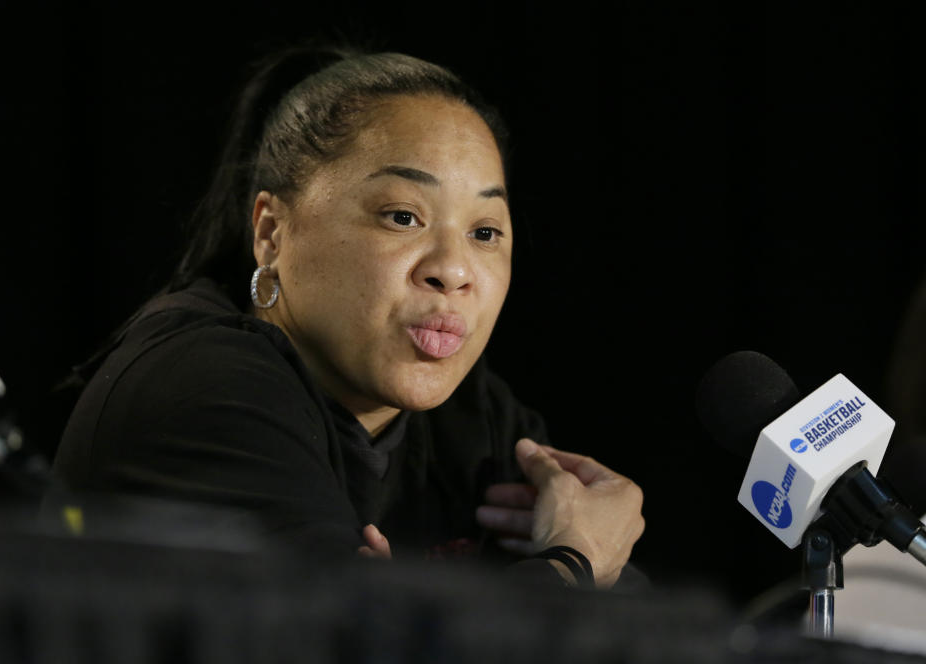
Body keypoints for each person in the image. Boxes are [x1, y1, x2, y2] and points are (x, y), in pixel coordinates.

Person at [50, 46, 645, 589]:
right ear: (271, 232)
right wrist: (575, 562)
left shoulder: (476, 423)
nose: (453, 270)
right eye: (402, 217)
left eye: (485, 232)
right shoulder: (201, 388)